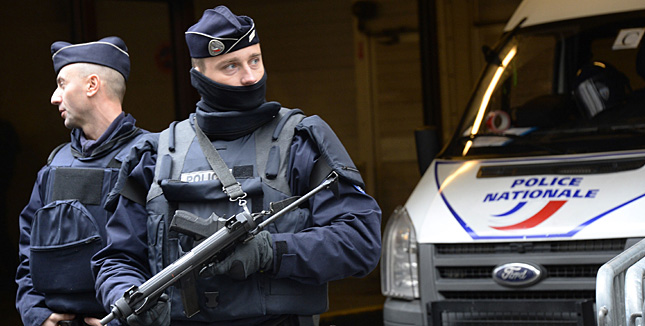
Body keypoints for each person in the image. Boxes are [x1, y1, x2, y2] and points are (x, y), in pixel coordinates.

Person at [92, 5, 382, 326]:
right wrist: (126, 293)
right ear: (199, 76)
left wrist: (271, 252)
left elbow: (360, 241)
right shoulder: (154, 156)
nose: (249, 77)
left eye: (254, 60)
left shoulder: (300, 142)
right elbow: (117, 257)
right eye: (230, 66)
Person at [15, 36, 148, 326]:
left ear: (91, 85)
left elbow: (168, 257)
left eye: (62, 84)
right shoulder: (53, 165)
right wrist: (37, 314)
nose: (54, 97)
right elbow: (27, 253)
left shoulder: (151, 157)